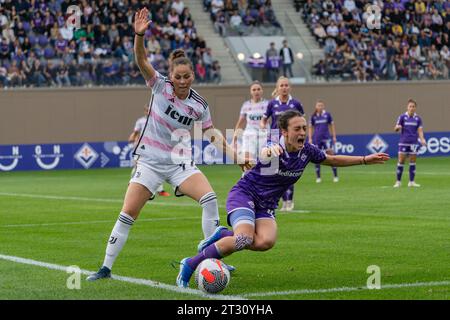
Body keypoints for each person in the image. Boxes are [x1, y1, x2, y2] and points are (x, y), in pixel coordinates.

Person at [87, 8, 250, 281]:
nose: (182, 81)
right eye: (178, 77)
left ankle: (211, 257)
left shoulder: (199, 105)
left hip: (179, 162)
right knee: (128, 213)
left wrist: (235, 156)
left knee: (210, 199)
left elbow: (211, 134)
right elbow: (141, 61)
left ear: (193, 76)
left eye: (187, 77)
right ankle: (105, 268)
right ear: (171, 76)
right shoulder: (159, 86)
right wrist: (139, 35)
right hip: (150, 161)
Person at [176, 110, 390, 288]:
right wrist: (269, 152)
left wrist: (364, 159)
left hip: (266, 205)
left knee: (265, 242)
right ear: (285, 132)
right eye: (297, 129)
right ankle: (190, 264)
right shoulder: (273, 146)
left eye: (304, 128)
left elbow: (332, 159)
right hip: (245, 195)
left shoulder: (307, 151)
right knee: (243, 239)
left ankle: (224, 234)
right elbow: (265, 153)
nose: (303, 133)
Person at [260, 76, 304, 211]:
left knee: (288, 171)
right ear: (277, 88)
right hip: (273, 139)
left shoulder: (295, 103)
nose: (284, 88)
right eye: (281, 86)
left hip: (290, 141)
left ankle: (289, 201)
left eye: (286, 85)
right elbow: (264, 119)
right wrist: (263, 126)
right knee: (272, 171)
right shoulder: (272, 104)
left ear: (289, 87)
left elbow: (302, 121)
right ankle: (274, 199)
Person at [128, 104, 170, 197]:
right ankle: (131, 183)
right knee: (138, 166)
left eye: (150, 110)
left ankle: (160, 190)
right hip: (141, 146)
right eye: (147, 110)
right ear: (144, 111)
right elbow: (135, 132)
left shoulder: (157, 120)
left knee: (157, 166)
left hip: (154, 147)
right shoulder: (140, 121)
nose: (148, 112)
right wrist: (132, 138)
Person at [232, 81, 269, 162]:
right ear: (251, 92)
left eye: (258, 89)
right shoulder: (246, 105)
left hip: (263, 135)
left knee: (264, 161)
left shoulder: (268, 104)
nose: (256, 91)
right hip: (249, 134)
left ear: (262, 91)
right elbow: (240, 122)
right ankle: (246, 174)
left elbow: (274, 120)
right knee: (247, 160)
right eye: (254, 90)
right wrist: (235, 136)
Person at [393, 99, 427, 187]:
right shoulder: (402, 117)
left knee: (413, 161)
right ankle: (398, 182)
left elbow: (420, 131)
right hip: (403, 142)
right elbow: (396, 128)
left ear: (415, 108)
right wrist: (397, 128)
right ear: (407, 107)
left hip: (414, 143)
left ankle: (411, 182)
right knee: (401, 161)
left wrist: (422, 139)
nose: (411, 108)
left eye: (413, 106)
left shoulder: (418, 119)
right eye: (410, 106)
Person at [308, 100, 338, 183]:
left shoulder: (327, 115)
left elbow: (332, 125)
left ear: (323, 106)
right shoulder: (313, 116)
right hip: (316, 139)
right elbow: (310, 127)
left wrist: (334, 136)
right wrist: (310, 138)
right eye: (318, 105)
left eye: (321, 105)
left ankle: (335, 176)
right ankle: (318, 177)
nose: (320, 107)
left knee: (331, 156)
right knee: (316, 156)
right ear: (316, 107)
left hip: (326, 138)